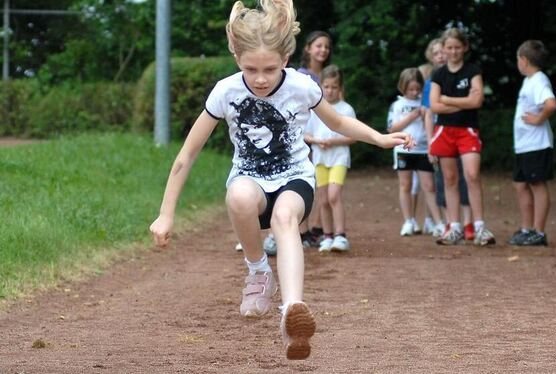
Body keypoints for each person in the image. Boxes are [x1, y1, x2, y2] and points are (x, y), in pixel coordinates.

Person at [149, 0, 413, 360]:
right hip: (250, 181)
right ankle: (258, 271)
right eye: (251, 69)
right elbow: (187, 155)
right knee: (238, 197)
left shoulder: (302, 87)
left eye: (270, 69)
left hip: (295, 179)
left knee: (284, 219)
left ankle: (292, 311)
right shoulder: (226, 92)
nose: (260, 78)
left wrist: (379, 138)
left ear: (286, 59)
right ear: (236, 58)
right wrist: (166, 213)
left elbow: (337, 122)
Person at [262, 30, 333, 253]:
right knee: (288, 182)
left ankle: (314, 229)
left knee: (315, 183)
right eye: (318, 45)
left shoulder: (329, 75)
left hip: (322, 136)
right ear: (308, 48)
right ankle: (284, 233)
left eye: (326, 47)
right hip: (299, 136)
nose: (323, 50)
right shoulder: (300, 76)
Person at [429, 28, 495, 246]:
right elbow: (434, 105)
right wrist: (461, 102)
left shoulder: (473, 70)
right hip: (444, 131)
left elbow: (476, 102)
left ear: (465, 48)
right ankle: (454, 227)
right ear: (444, 49)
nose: (454, 51)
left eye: (458, 47)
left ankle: (480, 228)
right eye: (449, 48)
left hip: (468, 130)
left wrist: (448, 99)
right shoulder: (438, 74)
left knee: (472, 175)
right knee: (449, 179)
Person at [421, 37, 473, 240]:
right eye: (436, 54)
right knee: (444, 181)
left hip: (462, 132)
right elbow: (428, 113)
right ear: (432, 58)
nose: (441, 56)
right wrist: (430, 142)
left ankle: (469, 223)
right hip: (441, 135)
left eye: (441, 52)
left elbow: (473, 102)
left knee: (465, 178)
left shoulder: (463, 75)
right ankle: (451, 223)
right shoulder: (431, 83)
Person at [508, 40, 556, 246]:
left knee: (537, 184)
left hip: (536, 144)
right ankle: (527, 228)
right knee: (520, 184)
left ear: (524, 60)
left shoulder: (538, 80)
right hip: (525, 145)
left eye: (518, 59)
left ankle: (539, 231)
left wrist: (538, 119)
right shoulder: (529, 80)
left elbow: (551, 104)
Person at [303, 65, 355, 252]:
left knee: (334, 196)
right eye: (327, 86)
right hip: (320, 159)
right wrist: (317, 140)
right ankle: (327, 236)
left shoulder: (346, 109)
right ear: (320, 87)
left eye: (334, 87)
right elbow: (305, 134)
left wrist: (333, 141)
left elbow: (353, 136)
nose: (330, 90)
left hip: (339, 158)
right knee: (323, 199)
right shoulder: (316, 109)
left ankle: (341, 235)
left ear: (340, 88)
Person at [388, 67, 444, 237]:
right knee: (405, 185)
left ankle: (438, 222)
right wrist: (412, 116)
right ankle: (408, 220)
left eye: (417, 89)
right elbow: (391, 129)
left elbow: (431, 125)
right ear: (402, 87)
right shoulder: (397, 105)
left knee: (429, 186)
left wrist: (431, 147)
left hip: (423, 150)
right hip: (403, 150)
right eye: (410, 89)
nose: (414, 93)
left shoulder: (426, 103)